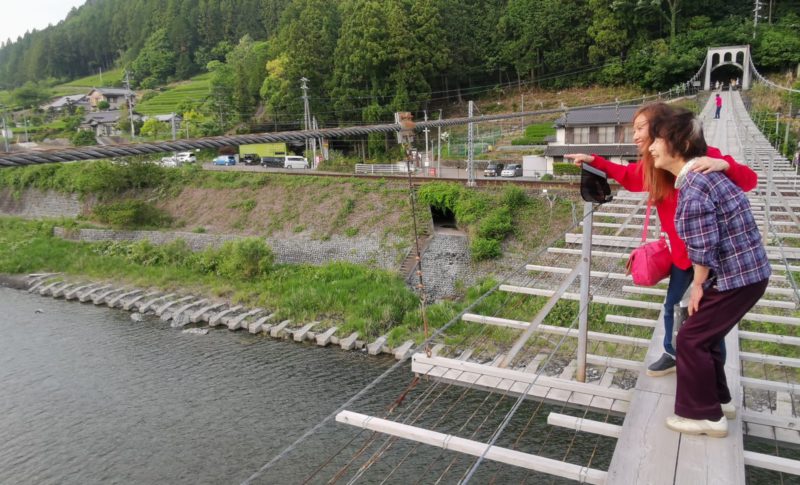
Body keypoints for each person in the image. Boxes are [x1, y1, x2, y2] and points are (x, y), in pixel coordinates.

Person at [565, 102, 757, 378]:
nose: (635, 136)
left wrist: (724, 164)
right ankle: (671, 352)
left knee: (704, 320)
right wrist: (595, 162)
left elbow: (749, 180)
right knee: (672, 305)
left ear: (663, 131)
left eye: (641, 128)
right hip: (681, 254)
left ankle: (713, 379)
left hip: (712, 255)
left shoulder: (703, 157)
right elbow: (630, 177)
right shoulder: (655, 165)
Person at [649, 109, 770, 437]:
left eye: (658, 140)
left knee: (690, 339)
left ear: (682, 144)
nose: (651, 148)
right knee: (703, 333)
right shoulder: (704, 176)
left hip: (737, 277)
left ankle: (704, 415)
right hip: (748, 274)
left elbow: (703, 246)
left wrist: (698, 286)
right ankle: (720, 401)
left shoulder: (695, 186)